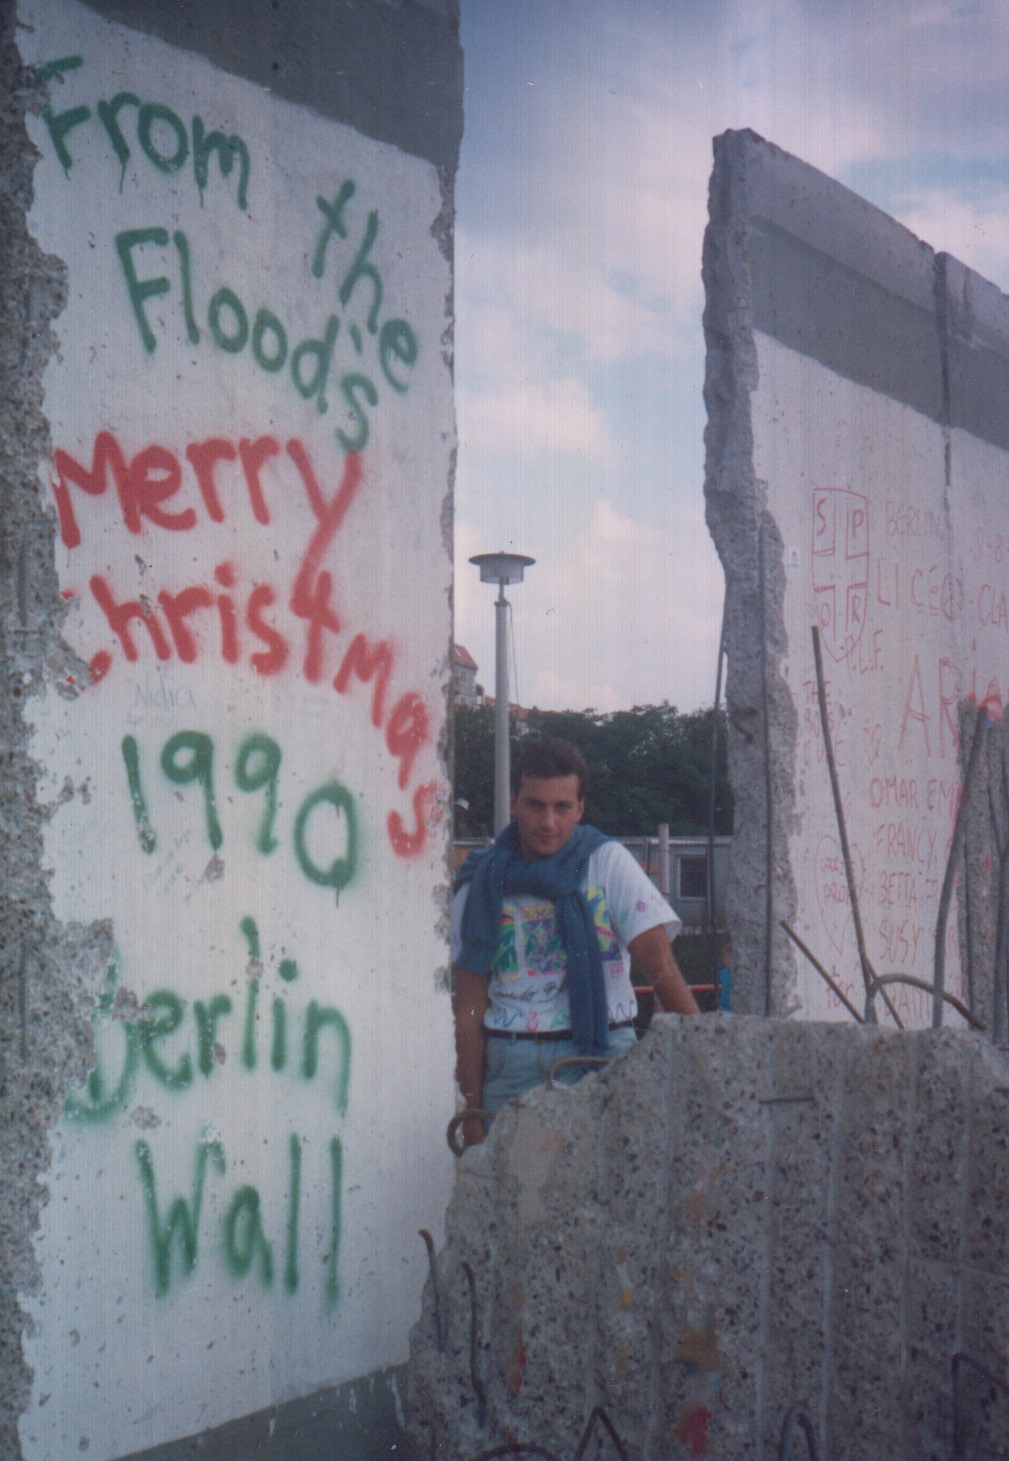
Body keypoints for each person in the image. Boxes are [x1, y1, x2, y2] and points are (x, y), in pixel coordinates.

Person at [452, 737, 700, 1148]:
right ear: (514, 803)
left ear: (580, 809)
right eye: (535, 805)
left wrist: (708, 1056)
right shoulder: (481, 882)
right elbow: (470, 1006)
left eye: (562, 807)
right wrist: (472, 1108)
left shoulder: (608, 862)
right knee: (516, 1207)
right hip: (512, 1067)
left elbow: (661, 970)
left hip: (603, 1056)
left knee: (617, 1198)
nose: (547, 821)